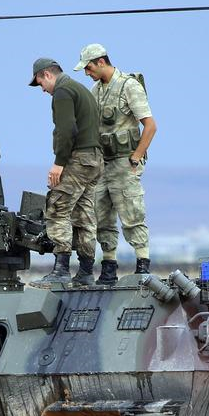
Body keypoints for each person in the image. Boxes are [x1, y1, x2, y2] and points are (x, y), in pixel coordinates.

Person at [72, 43, 157, 284]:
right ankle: (109, 265)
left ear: (101, 62)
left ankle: (142, 263)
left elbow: (150, 125)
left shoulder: (129, 86)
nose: (87, 73)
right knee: (101, 214)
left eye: (89, 68)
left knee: (131, 211)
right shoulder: (96, 90)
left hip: (124, 162)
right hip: (103, 163)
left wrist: (136, 156)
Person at [28, 57, 103, 288]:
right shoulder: (81, 89)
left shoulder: (62, 91)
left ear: (47, 74)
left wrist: (59, 163)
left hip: (78, 160)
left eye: (41, 83)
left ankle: (60, 271)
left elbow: (66, 129)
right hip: (94, 160)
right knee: (85, 215)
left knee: (57, 208)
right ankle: (86, 272)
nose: (42, 89)